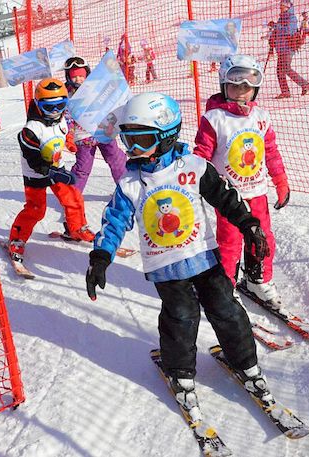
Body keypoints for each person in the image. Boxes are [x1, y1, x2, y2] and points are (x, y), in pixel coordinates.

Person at [85, 92, 274, 412]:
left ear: (166, 135)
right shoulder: (131, 182)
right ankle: (180, 373)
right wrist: (101, 257)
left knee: (227, 310)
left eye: (141, 140)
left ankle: (245, 362)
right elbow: (114, 221)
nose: (133, 150)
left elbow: (226, 197)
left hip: (204, 257)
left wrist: (249, 224)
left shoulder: (193, 166)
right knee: (181, 318)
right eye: (128, 141)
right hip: (166, 268)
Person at [193, 54, 290, 306]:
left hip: (257, 191)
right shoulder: (214, 119)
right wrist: (194, 183)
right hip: (228, 195)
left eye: (247, 88)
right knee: (230, 241)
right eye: (235, 86)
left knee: (262, 236)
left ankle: (259, 279)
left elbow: (270, 150)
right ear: (224, 86)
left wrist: (280, 179)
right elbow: (201, 155)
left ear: (255, 89)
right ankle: (226, 284)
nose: (241, 93)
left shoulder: (261, 117)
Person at [6, 78, 95, 264]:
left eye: (60, 105)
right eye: (49, 107)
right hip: (36, 174)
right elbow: (33, 160)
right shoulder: (30, 131)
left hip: (57, 167)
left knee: (73, 198)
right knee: (36, 210)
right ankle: (16, 239)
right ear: (38, 105)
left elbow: (64, 132)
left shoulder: (61, 119)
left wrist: (70, 143)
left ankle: (76, 229)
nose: (55, 112)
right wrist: (51, 172)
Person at [62, 56, 126, 190]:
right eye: (74, 76)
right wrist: (69, 136)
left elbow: (111, 99)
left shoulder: (97, 86)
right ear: (68, 77)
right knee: (82, 168)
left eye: (81, 76)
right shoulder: (66, 95)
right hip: (83, 137)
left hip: (103, 131)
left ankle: (126, 189)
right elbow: (67, 118)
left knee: (117, 160)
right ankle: (73, 196)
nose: (78, 79)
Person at [272, 0, 309, 98]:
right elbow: (278, 31)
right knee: (280, 71)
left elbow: (288, 30)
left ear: (287, 7)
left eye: (282, 6)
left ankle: (304, 84)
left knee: (285, 68)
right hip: (281, 48)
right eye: (280, 6)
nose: (280, 8)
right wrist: (272, 38)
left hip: (288, 48)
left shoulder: (292, 17)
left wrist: (276, 26)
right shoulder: (281, 18)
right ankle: (285, 92)